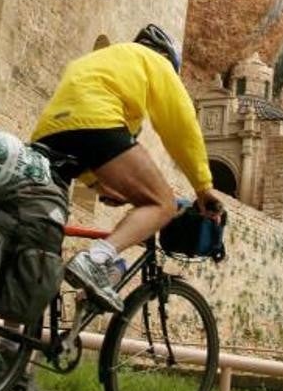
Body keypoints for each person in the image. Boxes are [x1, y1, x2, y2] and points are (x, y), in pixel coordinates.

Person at [31, 24, 221, 312]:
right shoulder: (157, 63)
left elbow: (79, 134)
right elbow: (180, 126)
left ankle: (12, 347)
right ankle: (95, 259)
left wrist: (97, 184)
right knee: (163, 203)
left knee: (42, 245)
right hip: (98, 123)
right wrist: (203, 187)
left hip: (47, 135)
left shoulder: (98, 61)